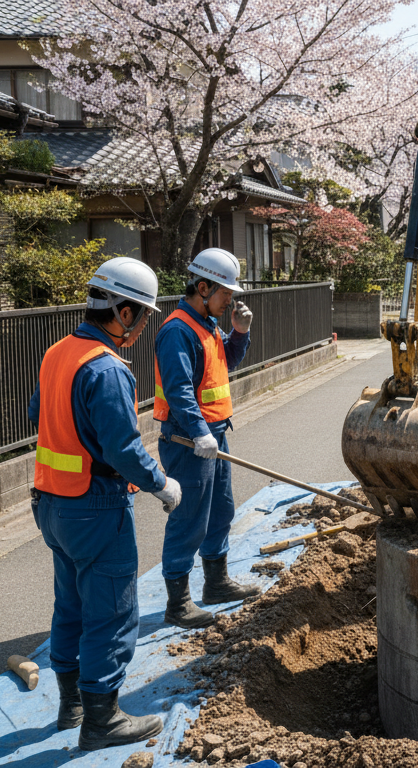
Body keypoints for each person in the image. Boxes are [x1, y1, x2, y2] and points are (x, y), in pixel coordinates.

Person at [29, 257, 181, 751]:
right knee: (112, 612)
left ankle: (71, 704)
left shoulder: (58, 353)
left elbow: (40, 414)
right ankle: (102, 720)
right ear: (123, 311)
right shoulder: (107, 368)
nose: (139, 327)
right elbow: (122, 448)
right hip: (95, 506)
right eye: (140, 314)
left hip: (51, 502)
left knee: (70, 604)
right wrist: (161, 482)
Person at [154, 247, 258, 628]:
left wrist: (239, 333)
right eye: (225, 295)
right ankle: (177, 603)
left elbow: (222, 364)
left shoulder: (208, 324)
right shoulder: (177, 331)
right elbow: (180, 392)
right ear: (202, 287)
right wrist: (199, 432)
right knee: (189, 518)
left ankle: (216, 583)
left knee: (220, 510)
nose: (229, 300)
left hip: (213, 436)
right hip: (188, 441)